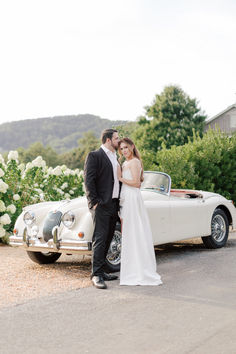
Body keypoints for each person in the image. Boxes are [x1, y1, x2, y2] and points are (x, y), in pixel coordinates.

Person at [117, 138, 162, 286]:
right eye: (121, 148)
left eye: (126, 147)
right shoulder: (124, 163)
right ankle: (132, 270)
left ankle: (141, 271)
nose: (124, 150)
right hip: (126, 199)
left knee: (136, 232)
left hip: (133, 199)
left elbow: (137, 183)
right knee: (129, 234)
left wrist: (121, 178)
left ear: (132, 147)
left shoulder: (135, 162)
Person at [84, 129, 120, 289]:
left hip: (114, 204)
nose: (118, 141)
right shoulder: (95, 156)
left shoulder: (115, 157)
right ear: (107, 140)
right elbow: (88, 180)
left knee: (109, 236)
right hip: (101, 205)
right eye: (116, 138)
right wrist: (94, 202)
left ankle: (103, 269)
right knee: (100, 237)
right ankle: (96, 274)